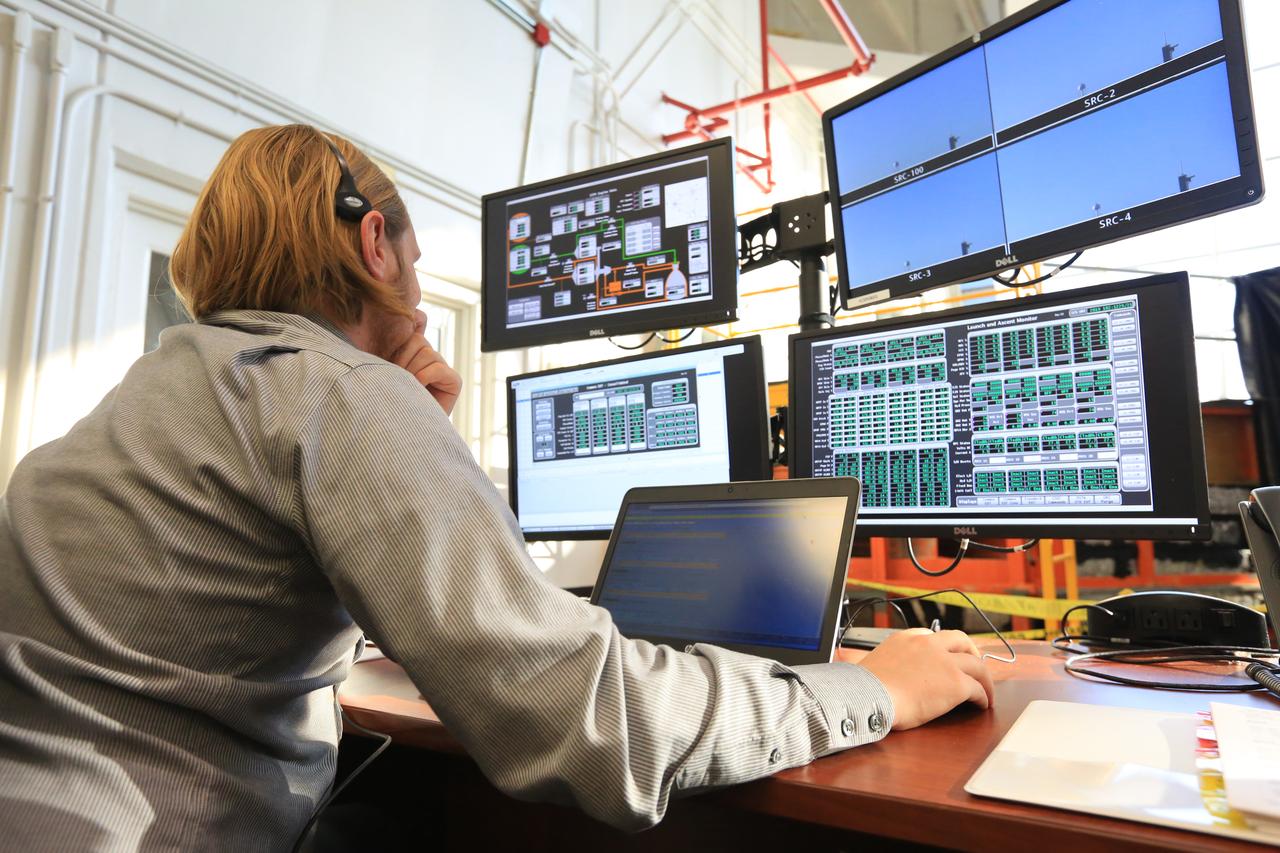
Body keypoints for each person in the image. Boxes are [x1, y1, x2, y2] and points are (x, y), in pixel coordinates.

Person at [0, 124, 994, 851]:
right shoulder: (337, 395)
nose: (422, 298)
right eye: (416, 263)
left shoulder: (158, 389)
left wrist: (408, 432)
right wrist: (869, 686)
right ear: (371, 244)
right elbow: (592, 727)